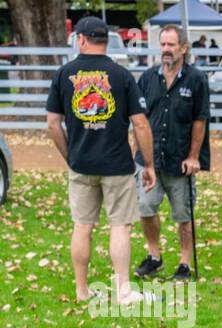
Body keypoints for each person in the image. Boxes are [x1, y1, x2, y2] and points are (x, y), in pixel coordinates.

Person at [45, 16, 155, 304]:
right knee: (120, 226)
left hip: (81, 163)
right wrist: (150, 164)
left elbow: (53, 123)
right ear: (105, 40)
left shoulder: (63, 74)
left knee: (83, 226)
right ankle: (123, 291)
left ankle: (82, 291)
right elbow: (141, 124)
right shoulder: (121, 75)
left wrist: (70, 155)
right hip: (117, 164)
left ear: (81, 39)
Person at [133, 23, 210, 281]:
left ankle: (185, 263)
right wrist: (139, 153)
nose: (165, 50)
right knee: (145, 208)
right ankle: (154, 257)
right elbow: (139, 118)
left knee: (183, 215)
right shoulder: (147, 78)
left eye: (171, 45)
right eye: (163, 44)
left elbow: (200, 120)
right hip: (149, 161)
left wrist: (194, 156)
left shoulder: (196, 79)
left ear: (184, 48)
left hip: (179, 161)